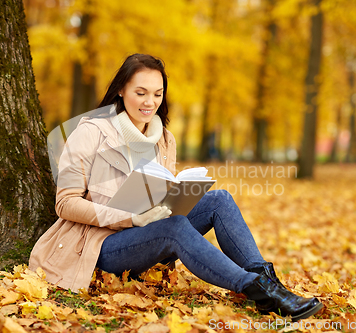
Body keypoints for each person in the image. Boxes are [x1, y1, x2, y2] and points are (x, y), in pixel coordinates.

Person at [29, 53, 324, 321]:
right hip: (98, 246)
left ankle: (268, 283)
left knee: (219, 199)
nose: (150, 102)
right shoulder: (90, 133)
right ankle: (256, 290)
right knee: (175, 228)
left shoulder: (164, 138)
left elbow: (163, 192)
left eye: (157, 94)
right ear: (121, 90)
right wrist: (131, 219)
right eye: (140, 93)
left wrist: (180, 195)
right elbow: (65, 203)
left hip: (147, 235)